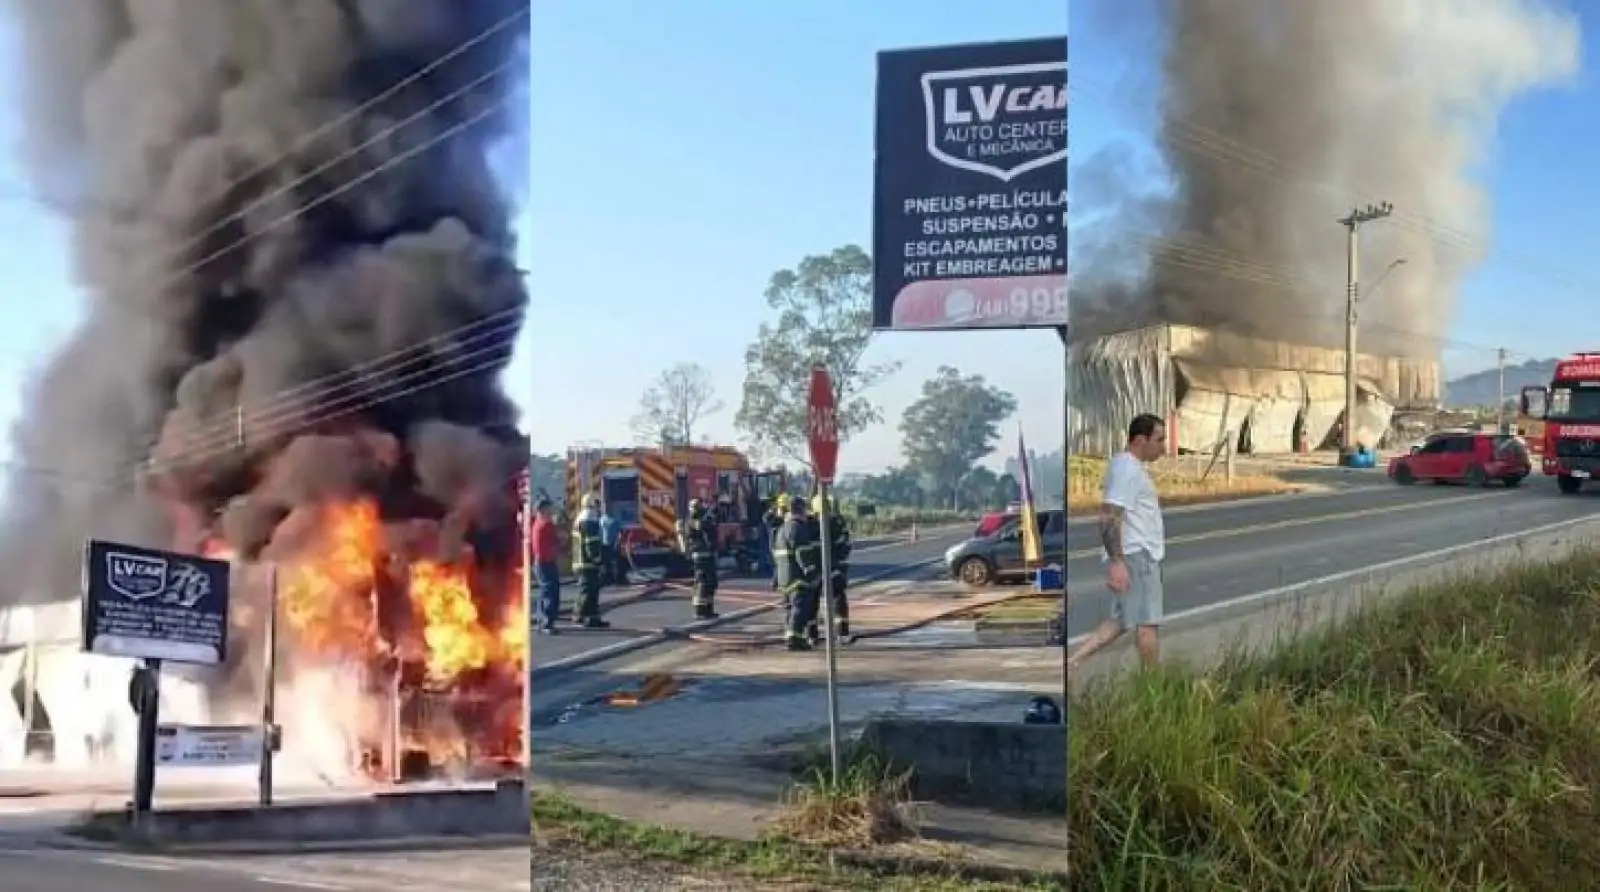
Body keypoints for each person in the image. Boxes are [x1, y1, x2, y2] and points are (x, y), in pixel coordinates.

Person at [1066, 413, 1168, 675]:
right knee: (1147, 624)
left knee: (1119, 620)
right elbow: (1109, 516)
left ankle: (1071, 663)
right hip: (1137, 555)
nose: (1163, 447)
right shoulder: (1127, 470)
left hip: (1134, 554)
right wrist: (1117, 563)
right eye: (1159, 440)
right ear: (1140, 440)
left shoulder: (1126, 466)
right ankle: (1153, 686)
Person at [774, 496, 823, 651]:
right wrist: (811, 572)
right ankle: (795, 639)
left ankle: (791, 636)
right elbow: (802, 553)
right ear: (801, 510)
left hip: (784, 577)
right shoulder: (798, 528)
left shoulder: (782, 528)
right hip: (797, 577)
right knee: (800, 608)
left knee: (790, 608)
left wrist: (776, 578)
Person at [805, 493, 852, 642]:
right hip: (833, 567)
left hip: (814, 570)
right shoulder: (835, 522)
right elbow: (845, 544)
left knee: (811, 601)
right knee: (838, 597)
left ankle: (811, 635)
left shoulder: (807, 524)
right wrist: (839, 560)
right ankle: (842, 633)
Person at [569, 497, 611, 629]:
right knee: (588, 590)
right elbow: (591, 544)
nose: (598, 508)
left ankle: (593, 618)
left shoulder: (581, 519)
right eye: (597, 505)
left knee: (592, 591)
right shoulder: (589, 521)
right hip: (587, 563)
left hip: (581, 561)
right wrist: (598, 560)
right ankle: (579, 615)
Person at [530, 498, 563, 635]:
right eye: (549, 508)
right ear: (543, 510)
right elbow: (557, 540)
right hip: (546, 563)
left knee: (546, 591)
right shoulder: (546, 524)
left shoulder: (537, 523)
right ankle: (546, 622)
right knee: (550, 592)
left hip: (541, 562)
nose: (551, 511)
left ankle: (543, 620)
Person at [683, 498, 719, 620]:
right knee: (702, 582)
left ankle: (708, 609)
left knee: (711, 582)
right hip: (699, 555)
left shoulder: (706, 518)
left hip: (708, 554)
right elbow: (700, 527)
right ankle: (699, 611)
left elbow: (711, 532)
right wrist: (706, 517)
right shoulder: (692, 520)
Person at [598, 504, 624, 586]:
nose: (606, 510)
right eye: (605, 508)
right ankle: (607, 579)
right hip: (604, 544)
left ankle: (617, 579)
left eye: (607, 508)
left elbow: (619, 532)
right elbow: (599, 532)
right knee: (605, 563)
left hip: (613, 544)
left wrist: (617, 542)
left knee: (615, 562)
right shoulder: (601, 519)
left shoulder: (615, 519)